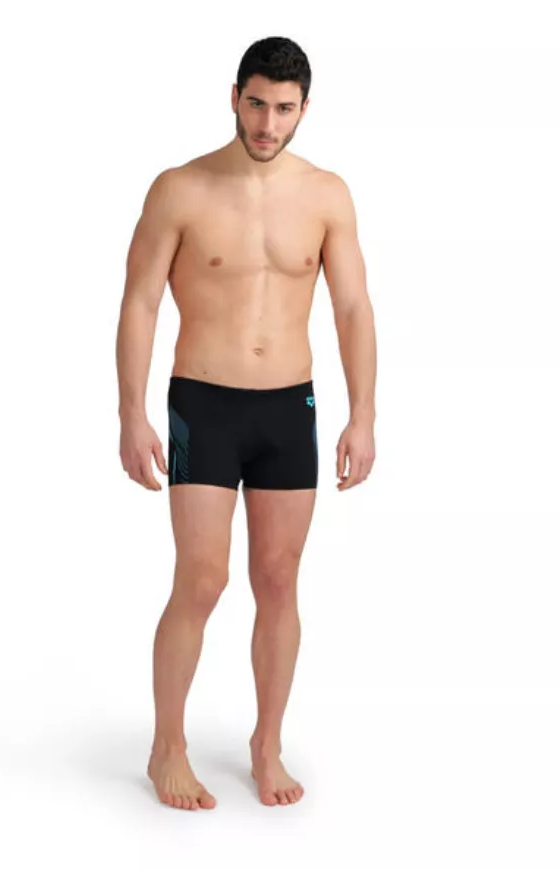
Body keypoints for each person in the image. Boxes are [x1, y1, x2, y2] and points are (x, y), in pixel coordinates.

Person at [116, 36, 377, 810]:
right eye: (257, 104)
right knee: (201, 579)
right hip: (203, 402)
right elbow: (140, 300)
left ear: (304, 109)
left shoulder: (327, 194)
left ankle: (267, 743)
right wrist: (132, 411)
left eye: (284, 109)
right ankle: (168, 745)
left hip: (288, 406)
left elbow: (353, 306)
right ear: (234, 97)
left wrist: (363, 414)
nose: (268, 124)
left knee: (279, 578)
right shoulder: (181, 189)